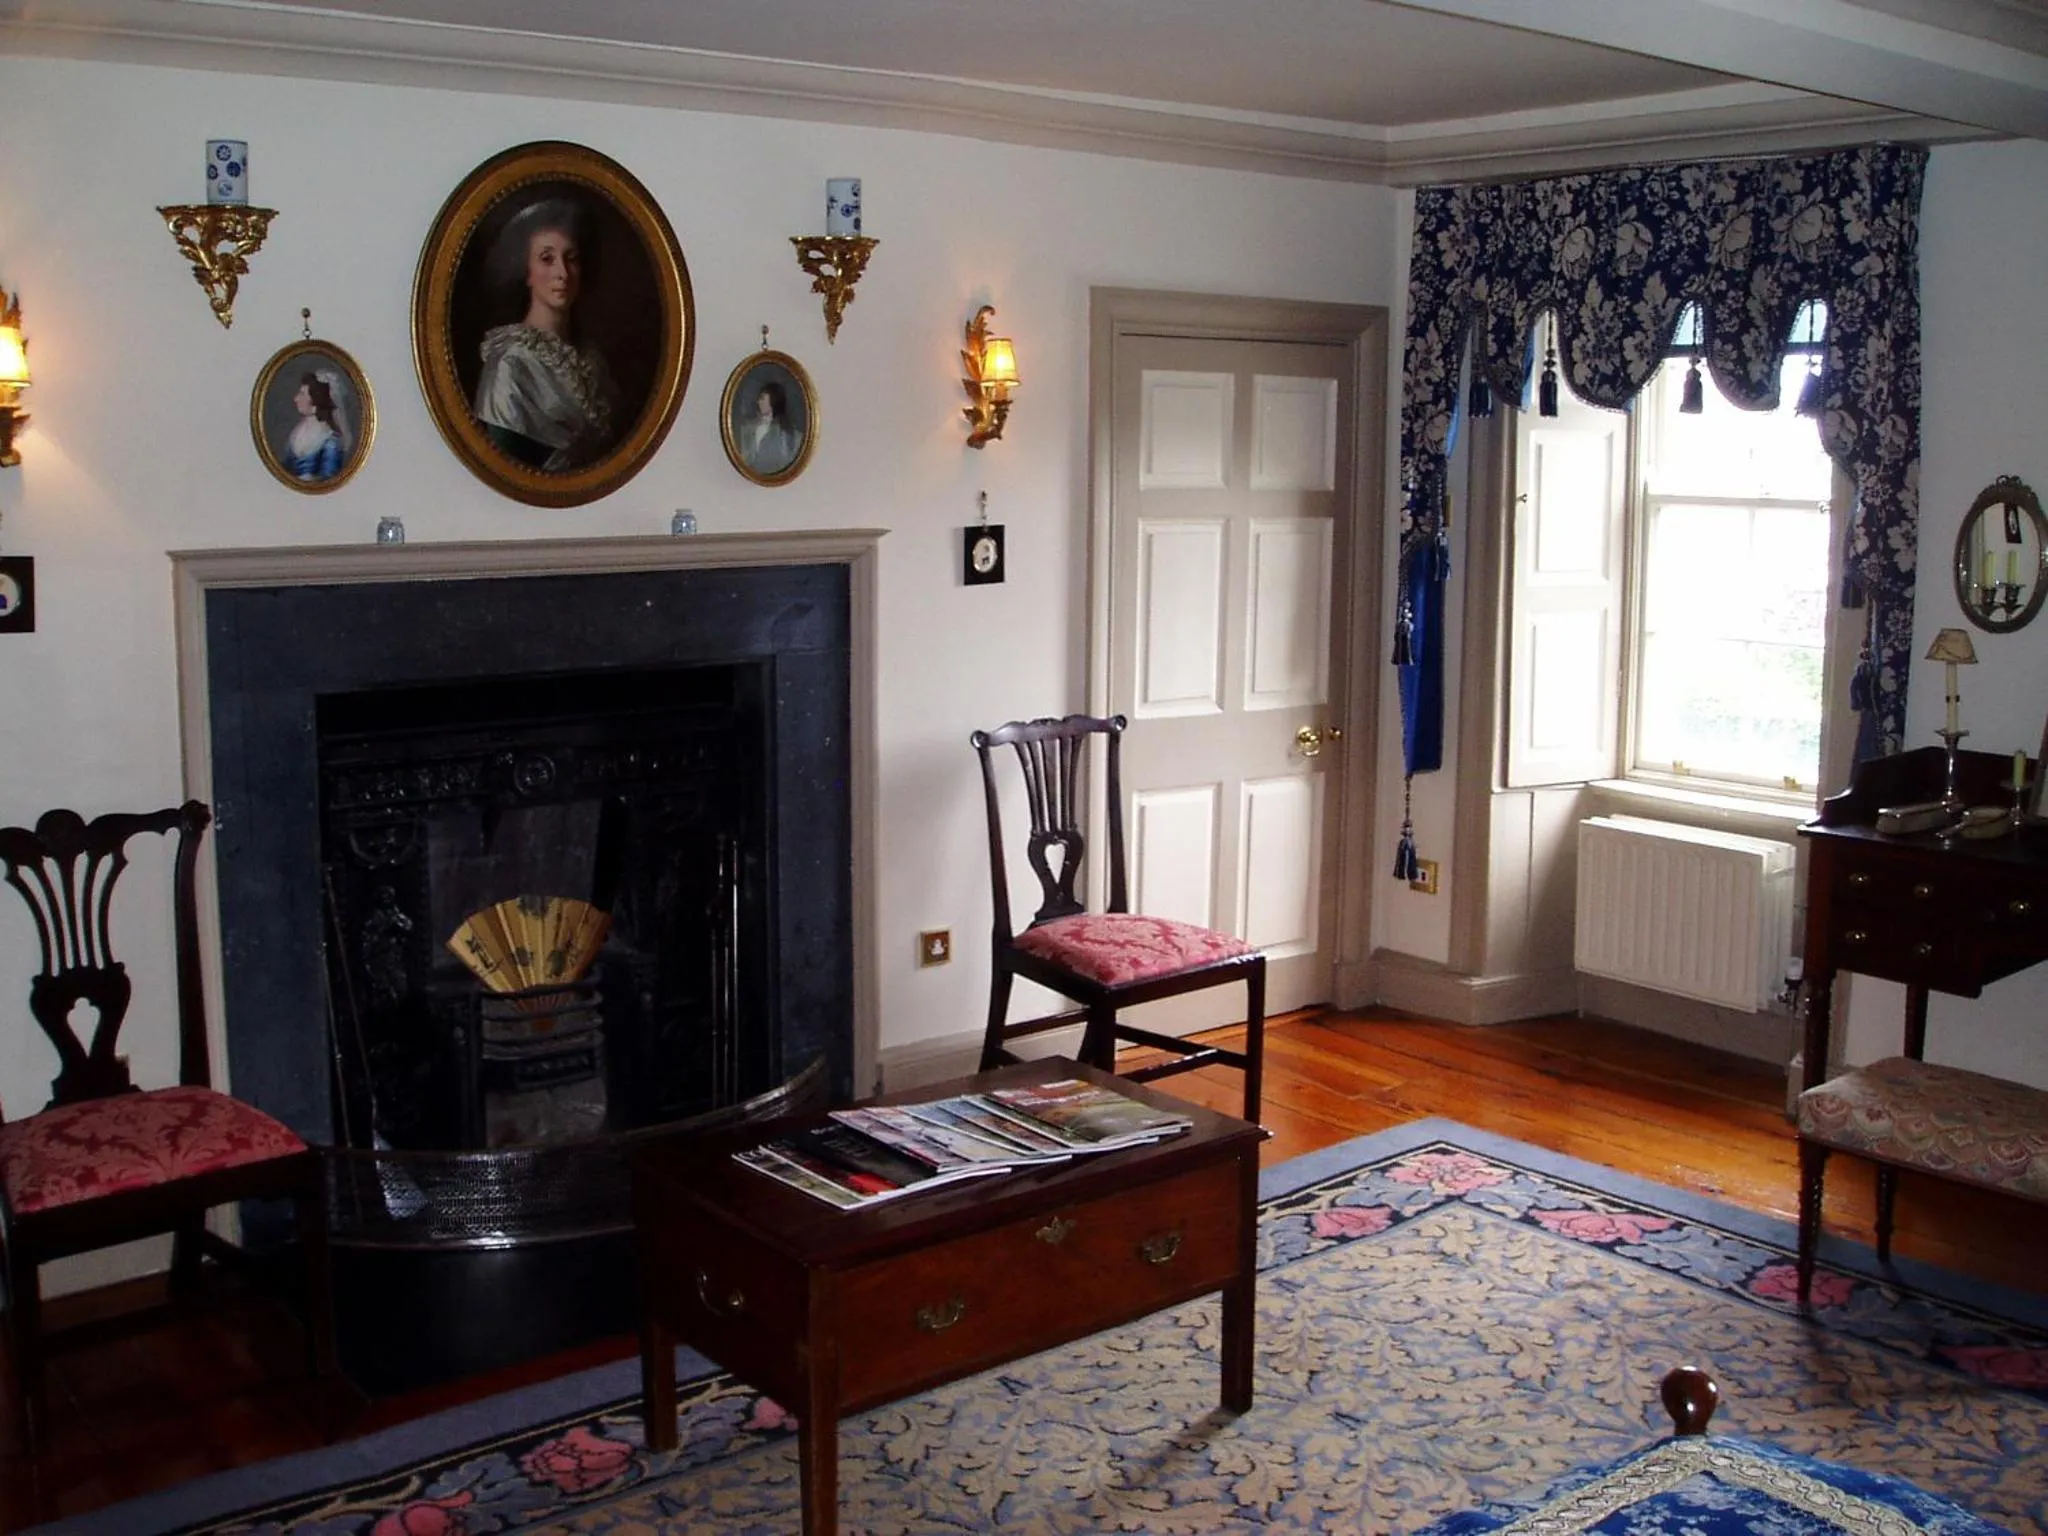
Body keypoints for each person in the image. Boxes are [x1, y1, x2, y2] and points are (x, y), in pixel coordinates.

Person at [471, 196, 618, 473]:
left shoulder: (593, 363)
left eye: (571, 259)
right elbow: (504, 467)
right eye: (547, 259)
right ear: (526, 271)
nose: (562, 273)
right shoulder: (510, 364)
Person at [281, 370, 349, 482]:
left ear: (316, 402)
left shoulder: (330, 441)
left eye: (302, 394)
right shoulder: (297, 433)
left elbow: (329, 481)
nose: (296, 399)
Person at [736, 377, 800, 476]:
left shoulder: (786, 431)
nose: (758, 402)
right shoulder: (749, 428)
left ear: (773, 400)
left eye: (762, 398)